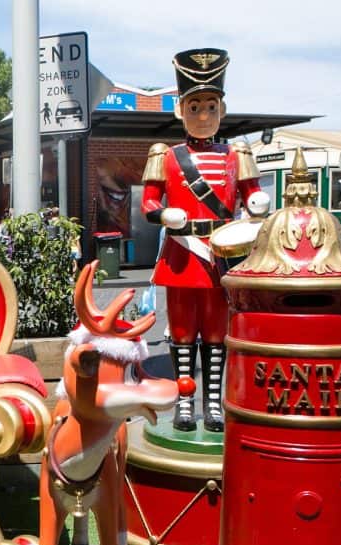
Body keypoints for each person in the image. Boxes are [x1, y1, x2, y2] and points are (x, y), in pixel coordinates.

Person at [141, 48, 270, 433]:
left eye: (209, 107)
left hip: (221, 256)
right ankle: (184, 402)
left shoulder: (237, 153)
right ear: (180, 110)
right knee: (182, 335)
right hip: (182, 256)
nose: (202, 116)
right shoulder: (165, 155)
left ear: (222, 111)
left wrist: (256, 203)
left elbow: (251, 194)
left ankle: (213, 403)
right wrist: (163, 213)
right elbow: (149, 200)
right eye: (194, 107)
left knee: (217, 335)